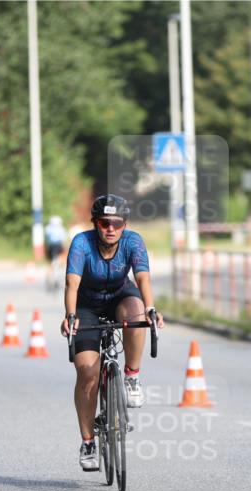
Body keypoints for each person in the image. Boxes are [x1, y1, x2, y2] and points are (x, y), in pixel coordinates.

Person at [60, 194, 165, 472]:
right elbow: (71, 283)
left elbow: (142, 278)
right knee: (87, 373)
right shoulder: (82, 243)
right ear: (95, 223)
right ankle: (88, 443)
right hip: (87, 304)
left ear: (124, 225)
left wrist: (151, 309)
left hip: (120, 295)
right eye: (104, 222)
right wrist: (70, 315)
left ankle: (132, 377)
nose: (110, 228)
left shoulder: (133, 242)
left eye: (116, 223)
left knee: (137, 311)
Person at [44, 215, 67, 289]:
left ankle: (50, 277)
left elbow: (47, 239)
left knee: (51, 263)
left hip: (51, 247)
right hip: (58, 247)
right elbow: (63, 240)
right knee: (58, 262)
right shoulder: (61, 229)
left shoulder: (48, 228)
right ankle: (56, 277)